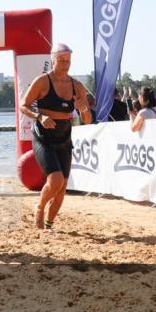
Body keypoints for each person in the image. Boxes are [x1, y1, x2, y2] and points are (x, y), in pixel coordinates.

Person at [20, 42, 93, 230]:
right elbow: (23, 105)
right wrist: (40, 116)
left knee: (61, 190)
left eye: (68, 60)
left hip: (64, 136)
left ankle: (49, 226)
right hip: (43, 135)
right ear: (52, 60)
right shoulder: (42, 81)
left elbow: (88, 120)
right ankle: (40, 206)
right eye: (61, 60)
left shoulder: (77, 86)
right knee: (56, 180)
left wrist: (84, 109)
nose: (65, 64)